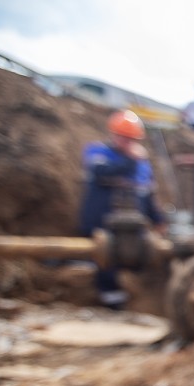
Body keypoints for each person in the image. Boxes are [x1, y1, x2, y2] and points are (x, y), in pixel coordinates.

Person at [78, 109, 148, 309]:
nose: (127, 143)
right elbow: (101, 171)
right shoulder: (97, 151)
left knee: (125, 257)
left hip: (129, 223)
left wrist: (158, 219)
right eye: (123, 138)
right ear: (113, 134)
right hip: (99, 218)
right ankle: (111, 303)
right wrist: (131, 160)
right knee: (105, 258)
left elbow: (146, 191)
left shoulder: (141, 164)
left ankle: (124, 298)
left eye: (131, 139)